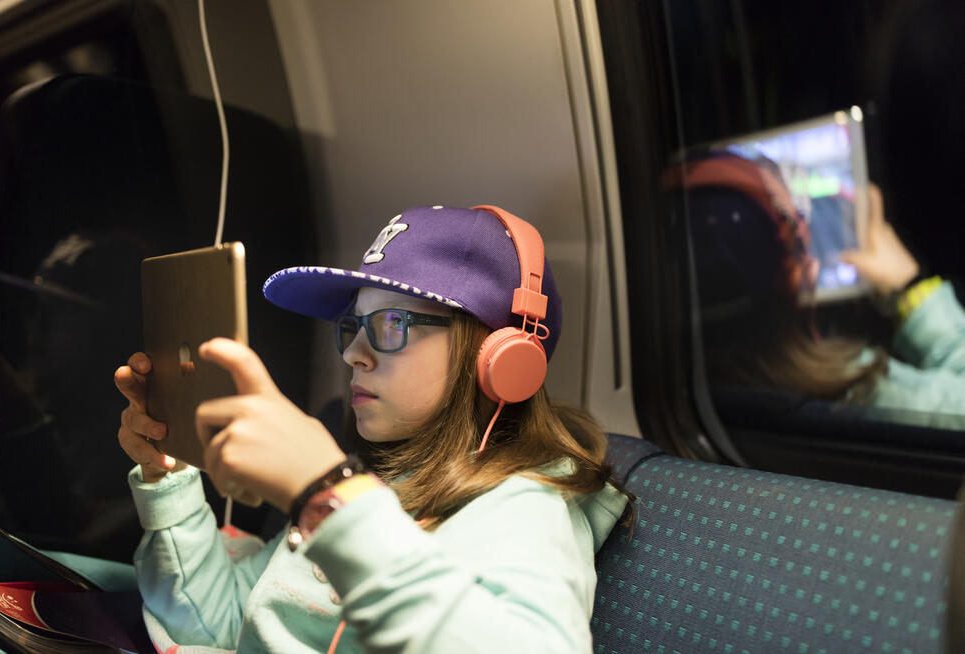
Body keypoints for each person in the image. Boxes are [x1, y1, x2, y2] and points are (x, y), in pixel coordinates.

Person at [113, 205, 631, 653]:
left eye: (390, 326)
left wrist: (327, 493)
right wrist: (169, 470)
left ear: (497, 358)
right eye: (351, 327)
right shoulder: (386, 481)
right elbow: (225, 624)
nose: (354, 355)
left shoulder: (520, 504)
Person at [665, 152, 965, 423]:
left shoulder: (678, 402)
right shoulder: (852, 393)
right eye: (795, 232)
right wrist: (911, 289)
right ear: (804, 275)